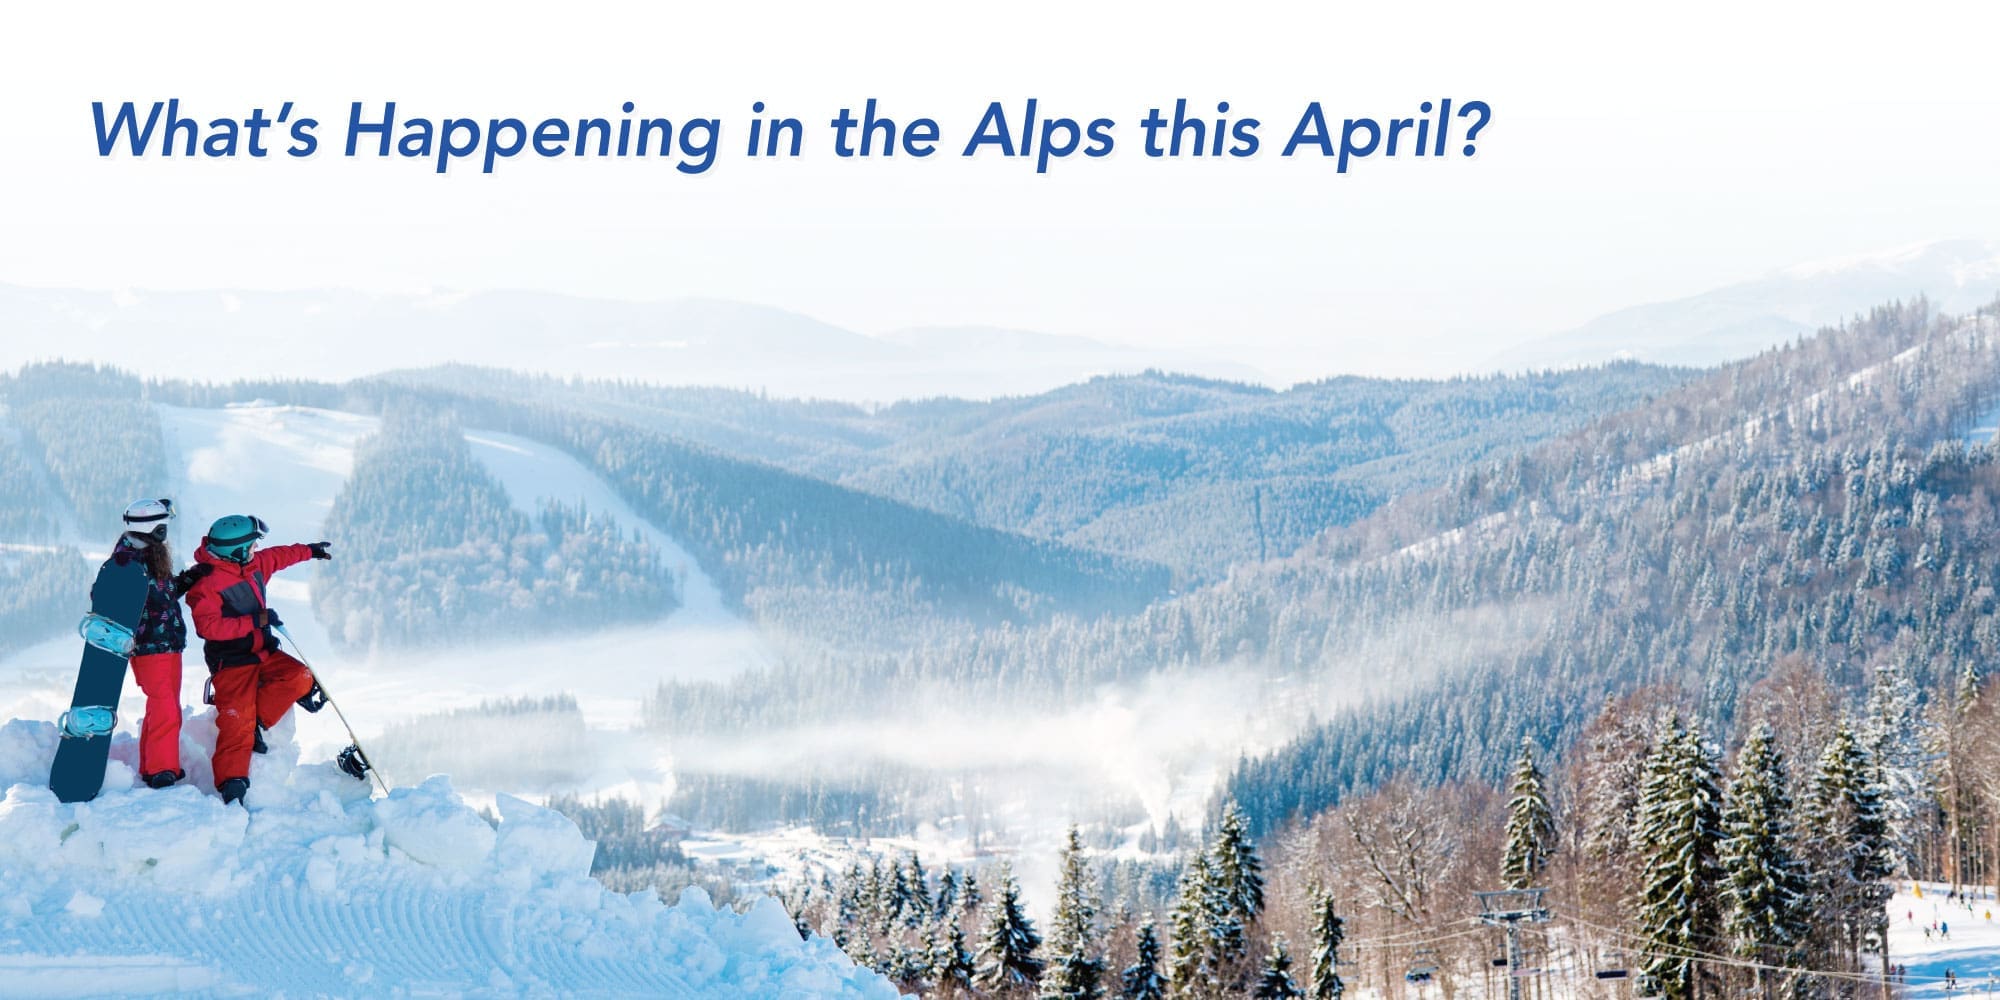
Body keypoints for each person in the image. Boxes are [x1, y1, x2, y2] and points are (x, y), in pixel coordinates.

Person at [182, 514, 331, 805]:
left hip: (264, 652)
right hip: (232, 662)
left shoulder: (252, 566)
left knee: (300, 677)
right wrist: (255, 620)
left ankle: (257, 722)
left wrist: (310, 550)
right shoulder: (206, 583)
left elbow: (279, 556)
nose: (255, 551)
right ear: (235, 551)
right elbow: (209, 627)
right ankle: (231, 784)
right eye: (250, 546)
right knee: (236, 721)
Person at [101, 498, 211, 788]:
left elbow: (159, 595)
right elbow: (111, 598)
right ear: (152, 527)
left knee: (163, 706)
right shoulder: (126, 561)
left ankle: (154, 766)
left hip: (166, 644)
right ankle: (162, 770)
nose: (165, 530)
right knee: (166, 710)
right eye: (162, 524)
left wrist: (188, 579)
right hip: (151, 647)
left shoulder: (146, 553)